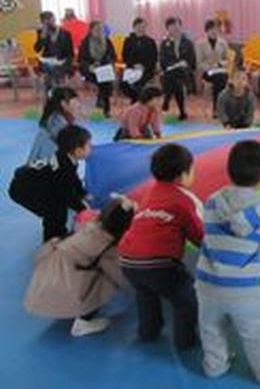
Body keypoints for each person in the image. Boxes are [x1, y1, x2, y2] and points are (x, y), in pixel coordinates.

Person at [196, 141, 260, 384]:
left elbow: (208, 232)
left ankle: (215, 366)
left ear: (229, 170)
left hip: (207, 282)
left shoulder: (212, 201)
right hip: (245, 288)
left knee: (210, 328)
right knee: (257, 332)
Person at [118, 143, 204, 350]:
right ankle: (185, 341)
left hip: (127, 260)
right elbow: (198, 235)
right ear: (182, 175)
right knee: (185, 298)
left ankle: (148, 332)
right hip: (159, 265)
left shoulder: (149, 192)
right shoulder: (185, 199)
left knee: (145, 293)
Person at [24, 196, 135, 337]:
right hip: (61, 295)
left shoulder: (86, 228)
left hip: (39, 293)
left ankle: (67, 302)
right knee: (108, 281)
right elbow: (120, 277)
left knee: (87, 269)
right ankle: (83, 322)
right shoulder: (107, 247)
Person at [9, 125, 91, 242]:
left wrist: (83, 193)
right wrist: (84, 210)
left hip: (32, 182)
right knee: (55, 210)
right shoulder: (63, 168)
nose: (91, 148)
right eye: (89, 146)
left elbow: (73, 178)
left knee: (57, 201)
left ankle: (56, 235)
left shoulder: (65, 156)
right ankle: (52, 241)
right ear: (78, 151)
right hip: (23, 189)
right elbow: (68, 196)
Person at [27, 87, 80, 163]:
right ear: (64, 104)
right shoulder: (58, 125)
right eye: (75, 103)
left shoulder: (57, 119)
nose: (78, 106)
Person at [159, 17, 196, 120]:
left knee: (172, 77)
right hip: (170, 71)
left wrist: (185, 63)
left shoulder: (187, 42)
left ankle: (167, 99)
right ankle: (182, 111)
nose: (175, 28)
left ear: (180, 26)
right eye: (171, 26)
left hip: (184, 71)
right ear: (167, 29)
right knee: (176, 81)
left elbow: (192, 60)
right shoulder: (164, 42)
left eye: (176, 25)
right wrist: (172, 64)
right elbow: (162, 60)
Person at [79, 21, 116, 118]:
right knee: (103, 82)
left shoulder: (107, 41)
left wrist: (107, 63)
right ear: (91, 30)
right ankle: (103, 103)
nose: (100, 32)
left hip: (103, 68)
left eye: (101, 29)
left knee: (105, 81)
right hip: (90, 69)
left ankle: (105, 106)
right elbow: (81, 59)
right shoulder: (85, 43)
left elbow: (113, 56)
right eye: (97, 29)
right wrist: (89, 66)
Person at [197, 19, 229, 119]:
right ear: (206, 31)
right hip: (207, 72)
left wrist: (219, 64)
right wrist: (209, 66)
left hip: (220, 70)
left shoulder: (223, 42)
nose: (214, 31)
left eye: (216, 29)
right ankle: (217, 109)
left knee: (221, 77)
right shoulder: (200, 44)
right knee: (220, 79)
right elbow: (199, 62)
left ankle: (218, 108)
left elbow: (227, 59)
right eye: (211, 29)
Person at [121, 17, 158, 102]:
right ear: (134, 27)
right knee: (123, 84)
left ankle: (137, 102)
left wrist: (143, 66)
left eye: (143, 27)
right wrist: (133, 65)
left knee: (139, 83)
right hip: (131, 68)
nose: (141, 29)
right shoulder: (128, 40)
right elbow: (124, 56)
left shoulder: (150, 41)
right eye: (139, 27)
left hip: (146, 69)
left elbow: (154, 58)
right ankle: (136, 100)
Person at [34, 11, 74, 89]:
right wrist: (42, 38)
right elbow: (37, 49)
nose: (48, 24)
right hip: (47, 60)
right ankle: (56, 89)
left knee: (54, 70)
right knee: (50, 68)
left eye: (51, 20)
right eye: (45, 23)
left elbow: (70, 52)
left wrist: (62, 60)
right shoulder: (41, 33)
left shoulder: (65, 33)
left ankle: (53, 90)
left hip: (63, 60)